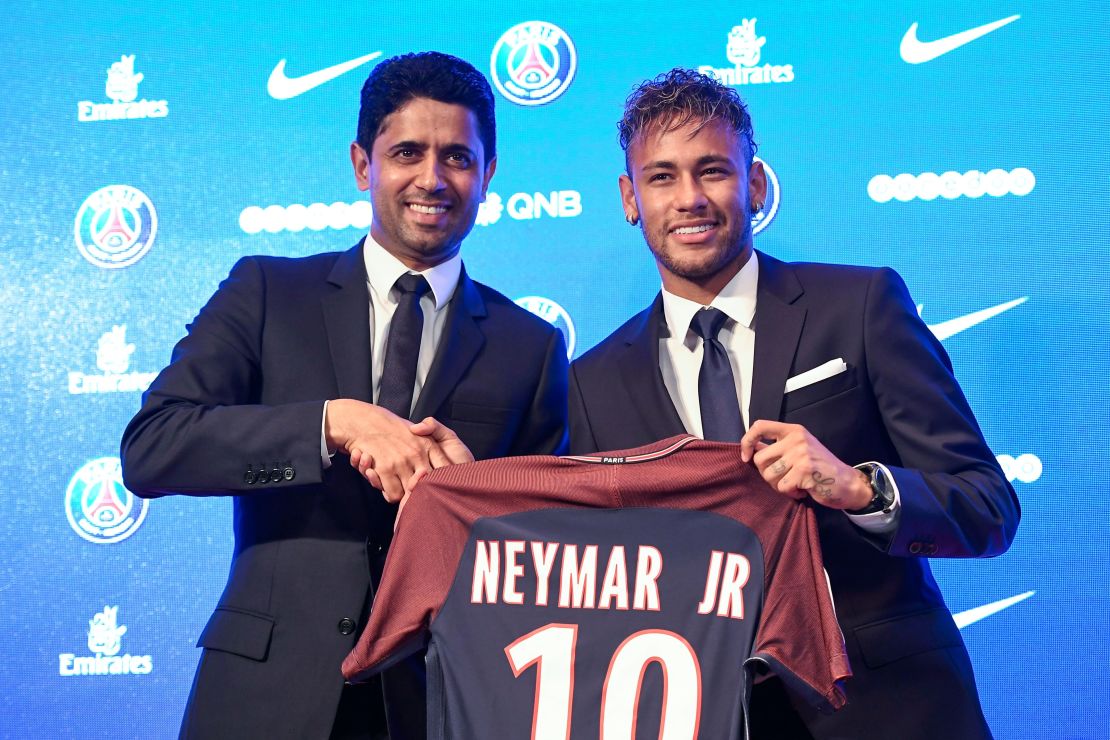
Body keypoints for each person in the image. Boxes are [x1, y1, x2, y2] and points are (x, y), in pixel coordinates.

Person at [121, 52, 568, 740]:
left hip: (441, 704)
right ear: (364, 165)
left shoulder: (531, 346)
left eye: (456, 157)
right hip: (263, 697)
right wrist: (332, 424)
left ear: (489, 174)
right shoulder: (267, 293)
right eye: (407, 153)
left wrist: (473, 500)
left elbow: (548, 555)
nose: (432, 178)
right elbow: (153, 450)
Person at [567, 68, 1019, 739]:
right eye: (662, 177)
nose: (689, 198)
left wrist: (860, 487)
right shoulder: (591, 381)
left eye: (712, 170)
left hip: (891, 709)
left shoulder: (860, 307)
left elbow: (987, 507)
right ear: (630, 198)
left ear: (753, 184)